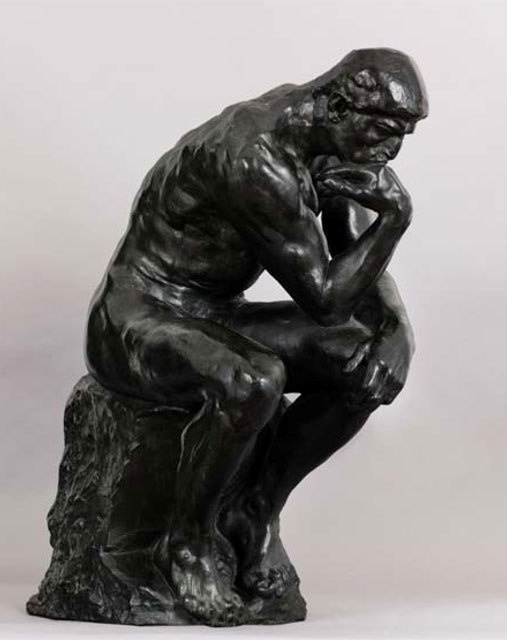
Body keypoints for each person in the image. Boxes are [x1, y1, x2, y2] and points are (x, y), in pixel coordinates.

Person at [85, 48, 428, 624]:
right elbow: (325, 298)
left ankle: (256, 510)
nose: (391, 152)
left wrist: (397, 328)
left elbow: (355, 254)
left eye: (403, 135)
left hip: (217, 312)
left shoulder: (334, 143)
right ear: (338, 105)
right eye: (384, 131)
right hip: (137, 316)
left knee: (362, 360)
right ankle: (186, 543)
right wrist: (396, 219)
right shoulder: (254, 155)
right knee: (252, 381)